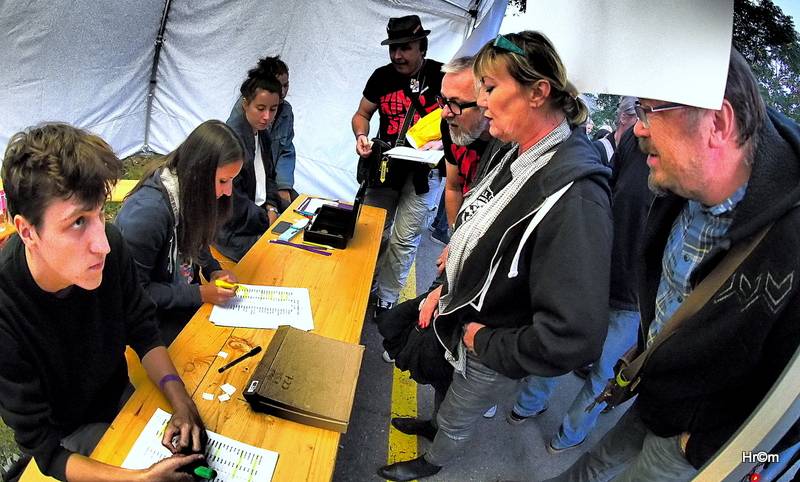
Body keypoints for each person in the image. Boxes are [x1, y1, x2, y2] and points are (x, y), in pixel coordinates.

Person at [550, 48, 800, 481]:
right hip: (654, 390)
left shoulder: (791, 241)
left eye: (650, 111)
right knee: (593, 464)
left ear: (717, 124)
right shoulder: (684, 178)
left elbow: (787, 416)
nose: (638, 129)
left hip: (694, 439)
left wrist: (711, 449)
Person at [377, 31, 613, 481]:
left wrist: (484, 341)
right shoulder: (514, 149)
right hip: (458, 307)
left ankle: (433, 460)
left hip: (485, 334)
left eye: (490, 87)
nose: (482, 101)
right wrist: (441, 289)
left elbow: (574, 336)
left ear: (538, 91)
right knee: (441, 380)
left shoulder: (576, 193)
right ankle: (434, 425)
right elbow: (477, 224)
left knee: (462, 408)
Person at [0, 123, 208, 481]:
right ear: (27, 231)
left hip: (121, 399)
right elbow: (48, 451)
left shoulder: (110, 246)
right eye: (78, 222)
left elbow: (143, 328)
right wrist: (137, 480)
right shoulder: (6, 309)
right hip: (70, 438)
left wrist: (182, 401)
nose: (104, 243)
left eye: (99, 213)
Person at [506, 124, 651, 453]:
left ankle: (565, 431)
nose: (641, 122)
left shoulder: (690, 175)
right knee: (567, 347)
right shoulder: (635, 139)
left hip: (626, 293)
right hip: (599, 272)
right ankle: (531, 407)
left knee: (601, 369)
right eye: (642, 111)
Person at [115, 120, 242, 344]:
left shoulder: (189, 192)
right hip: (148, 321)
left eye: (232, 180)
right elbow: (135, 292)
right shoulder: (148, 214)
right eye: (223, 181)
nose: (228, 191)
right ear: (199, 172)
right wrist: (201, 293)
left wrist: (213, 270)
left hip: (181, 300)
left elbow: (197, 241)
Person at [351, 15, 445, 318]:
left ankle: (386, 301)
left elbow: (462, 123)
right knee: (371, 231)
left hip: (425, 175)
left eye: (405, 47)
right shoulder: (381, 76)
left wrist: (444, 144)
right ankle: (360, 287)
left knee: (404, 239)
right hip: (385, 169)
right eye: (393, 48)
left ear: (422, 46)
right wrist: (361, 136)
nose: (397, 55)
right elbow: (361, 114)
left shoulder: (443, 77)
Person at [215, 64, 282, 261]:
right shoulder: (232, 141)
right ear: (245, 104)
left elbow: (270, 176)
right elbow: (232, 199)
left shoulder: (263, 135)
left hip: (260, 214)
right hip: (235, 230)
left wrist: (271, 206)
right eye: (260, 108)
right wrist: (266, 218)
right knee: (280, 258)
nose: (267, 116)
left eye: (273, 109)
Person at [228, 56, 298, 211]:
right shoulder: (238, 128)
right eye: (260, 109)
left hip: (269, 183)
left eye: (286, 85)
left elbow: (286, 151)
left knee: (299, 208)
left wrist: (283, 186)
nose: (283, 91)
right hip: (249, 193)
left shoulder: (285, 112)